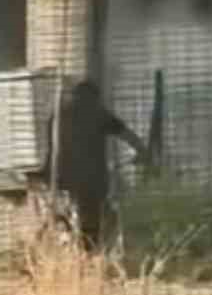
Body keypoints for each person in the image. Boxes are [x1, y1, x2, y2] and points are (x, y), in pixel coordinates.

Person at [46, 78, 149, 251]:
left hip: (59, 176)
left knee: (67, 210)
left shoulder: (56, 115)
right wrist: (142, 151)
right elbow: (126, 134)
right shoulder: (97, 112)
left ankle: (66, 238)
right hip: (91, 177)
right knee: (95, 215)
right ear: (95, 97)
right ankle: (90, 252)